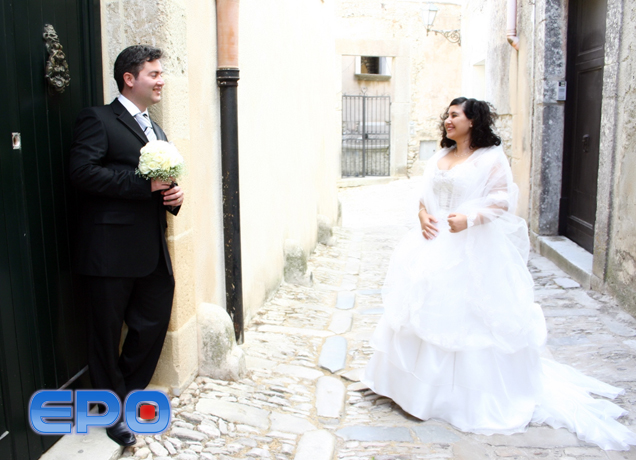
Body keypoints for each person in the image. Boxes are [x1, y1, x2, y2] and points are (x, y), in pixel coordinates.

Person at [363, 97, 636, 451]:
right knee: (418, 313)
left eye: (455, 115)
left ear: (473, 121)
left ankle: (459, 398)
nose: (448, 120)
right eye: (447, 115)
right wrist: (421, 215)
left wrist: (470, 218)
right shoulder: (440, 156)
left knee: (468, 321)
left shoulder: (490, 159)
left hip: (469, 248)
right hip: (430, 246)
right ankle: (407, 388)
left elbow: (502, 200)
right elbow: (423, 195)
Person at [69, 45, 184, 447]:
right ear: (129, 79)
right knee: (104, 333)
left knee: (152, 323)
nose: (161, 80)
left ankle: (126, 392)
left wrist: (174, 195)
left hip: (151, 250)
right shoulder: (97, 119)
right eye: (154, 73)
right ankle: (112, 410)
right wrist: (143, 186)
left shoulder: (157, 129)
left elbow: (162, 182)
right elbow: (82, 173)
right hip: (108, 251)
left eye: (161, 73)